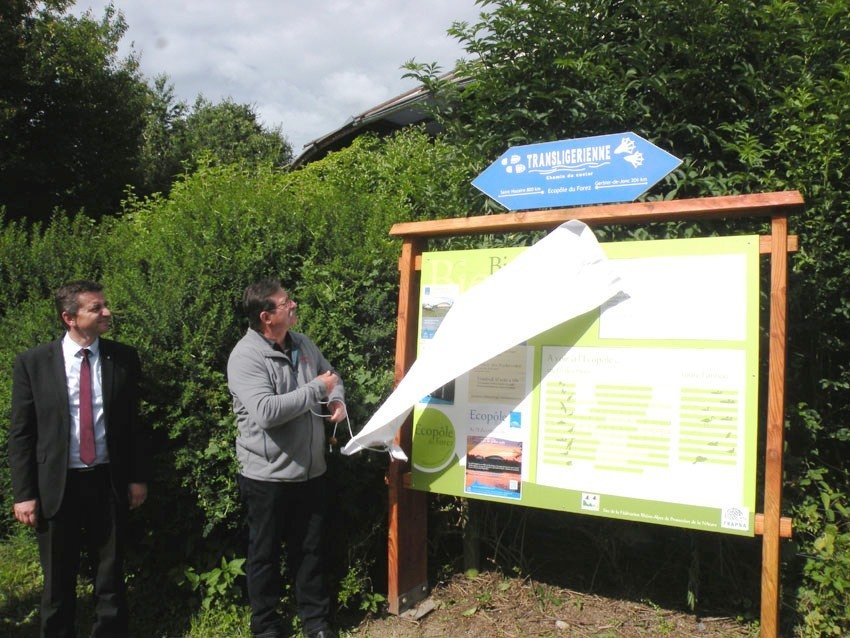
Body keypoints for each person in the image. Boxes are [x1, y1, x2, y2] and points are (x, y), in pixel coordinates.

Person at [8, 280, 150, 638]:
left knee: (110, 574)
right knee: (58, 579)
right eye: (96, 308)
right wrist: (24, 493)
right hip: (58, 484)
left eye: (105, 305)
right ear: (69, 317)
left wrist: (136, 477)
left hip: (108, 481)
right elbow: (22, 433)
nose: (107, 313)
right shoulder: (34, 364)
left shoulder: (123, 358)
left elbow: (133, 425)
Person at [227, 279, 345, 638]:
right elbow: (266, 411)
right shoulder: (245, 356)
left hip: (311, 472)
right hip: (267, 478)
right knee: (264, 557)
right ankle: (266, 627)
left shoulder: (303, 343)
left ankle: (317, 624)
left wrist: (337, 398)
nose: (293, 305)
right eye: (285, 303)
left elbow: (331, 375)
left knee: (310, 552)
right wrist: (317, 390)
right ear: (266, 317)